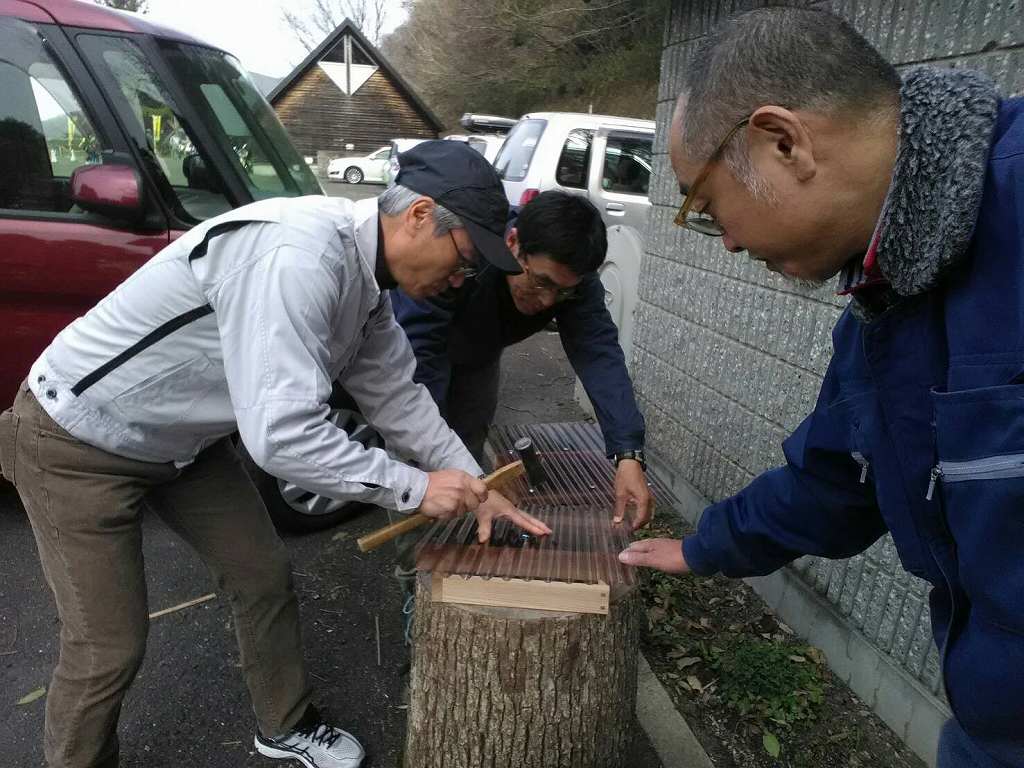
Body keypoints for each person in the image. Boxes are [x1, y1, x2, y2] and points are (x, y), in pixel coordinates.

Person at [0, 140, 550, 768]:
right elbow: (282, 437)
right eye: (466, 258)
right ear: (420, 215)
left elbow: (398, 396)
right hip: (75, 437)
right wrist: (417, 489)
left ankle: (284, 726)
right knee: (108, 645)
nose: (463, 278)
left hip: (182, 444)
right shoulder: (300, 256)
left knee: (262, 574)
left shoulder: (364, 284)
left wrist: (476, 479)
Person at [616, 8, 1024, 767]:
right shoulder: (886, 302)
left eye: (705, 206)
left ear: (783, 142)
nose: (728, 241)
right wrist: (706, 547)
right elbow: (837, 481)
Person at [392, 190, 652, 529]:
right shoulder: (466, 253)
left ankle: (465, 528)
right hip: (422, 349)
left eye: (562, 291)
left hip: (480, 353)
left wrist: (628, 451)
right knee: (421, 459)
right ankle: (416, 559)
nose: (547, 301)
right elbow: (419, 354)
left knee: (468, 441)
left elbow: (598, 353)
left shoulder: (573, 281)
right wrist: (430, 462)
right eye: (540, 281)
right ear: (513, 243)